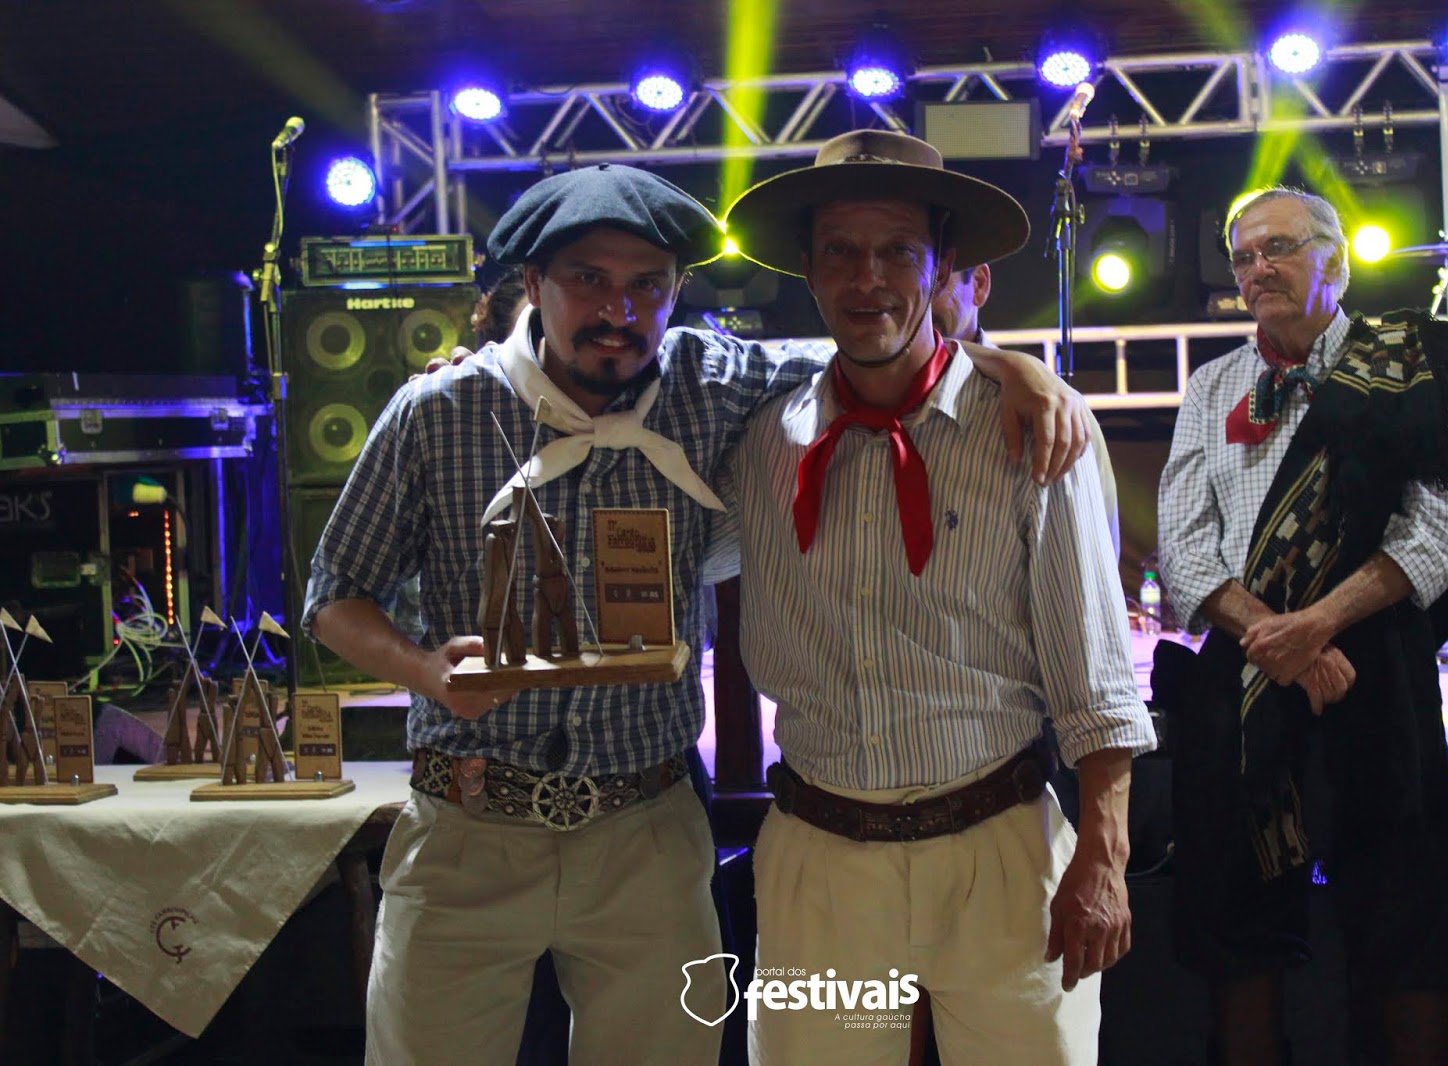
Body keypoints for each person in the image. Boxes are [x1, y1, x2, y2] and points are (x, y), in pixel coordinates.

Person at [305, 161, 1095, 1065]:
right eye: (589, 280)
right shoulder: (437, 411)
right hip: (467, 822)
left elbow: (885, 355)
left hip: (645, 827)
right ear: (533, 283)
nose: (619, 310)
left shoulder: (712, 380)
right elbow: (333, 596)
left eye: (647, 285)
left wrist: (1012, 365)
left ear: (677, 292)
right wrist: (424, 671)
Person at [714, 129, 1157, 1065]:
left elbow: (1096, 674)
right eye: (840, 251)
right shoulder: (764, 444)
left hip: (998, 849)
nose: (867, 277)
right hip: (818, 858)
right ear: (808, 268)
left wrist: (1105, 856)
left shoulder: (1034, 431)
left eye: (898, 251)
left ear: (945, 266)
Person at [1155, 187, 1448, 1065]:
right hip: (1246, 673)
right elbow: (1183, 548)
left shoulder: (1406, 365)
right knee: (1238, 927)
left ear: (1337, 259)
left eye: (1279, 249)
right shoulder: (1212, 384)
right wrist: (1279, 639)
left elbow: (1435, 531)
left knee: (1404, 919)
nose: (1258, 269)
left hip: (1377, 675)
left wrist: (1319, 624)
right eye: (1244, 257)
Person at [932, 262, 1120, 557]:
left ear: (979, 284)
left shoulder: (1048, 406)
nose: (915, 295)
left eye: (937, 278)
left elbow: (1093, 563)